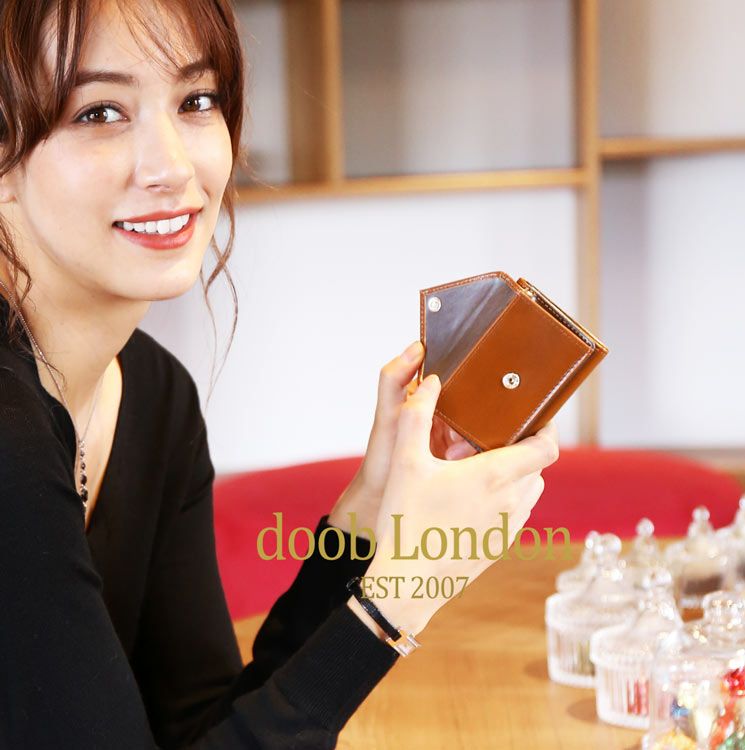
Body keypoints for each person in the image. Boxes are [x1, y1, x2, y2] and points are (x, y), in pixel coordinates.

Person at [0, 0, 559, 748]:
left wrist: (368, 514)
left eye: (196, 101)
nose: (173, 166)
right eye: (100, 113)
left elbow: (204, 729)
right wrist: (396, 600)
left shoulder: (157, 397)